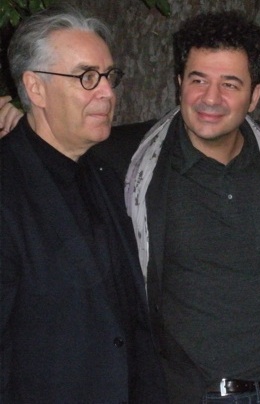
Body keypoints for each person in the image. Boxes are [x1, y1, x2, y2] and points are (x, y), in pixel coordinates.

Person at [93, 11, 260, 403]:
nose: (211, 98)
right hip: (181, 393)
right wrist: (23, 117)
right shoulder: (125, 159)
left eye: (230, 84)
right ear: (179, 83)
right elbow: (56, 150)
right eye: (198, 80)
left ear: (255, 95)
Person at [0, 6, 167, 402]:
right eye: (86, 77)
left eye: (109, 76)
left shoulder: (108, 173)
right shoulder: (7, 185)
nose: (107, 92)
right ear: (35, 88)